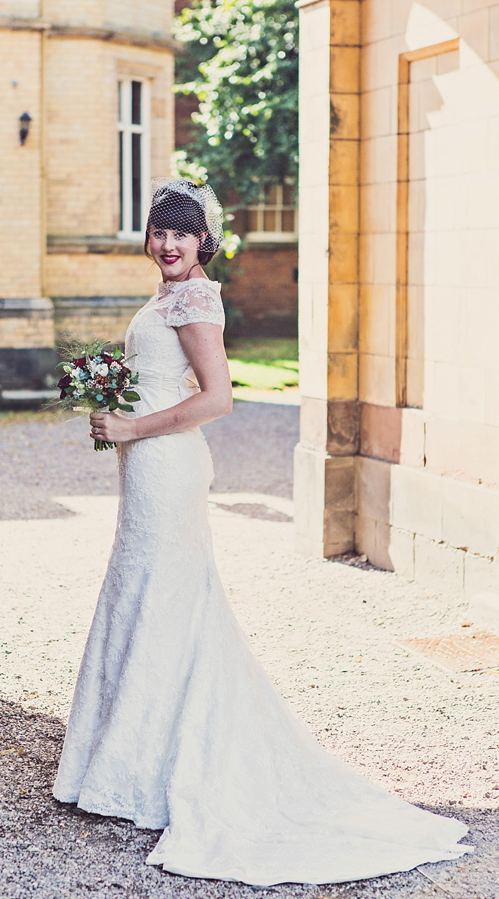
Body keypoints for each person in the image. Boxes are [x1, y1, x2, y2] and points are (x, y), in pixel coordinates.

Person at [52, 178, 470, 886]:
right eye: (159, 232)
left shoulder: (194, 296)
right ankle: (128, 755)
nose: (167, 244)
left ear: (205, 241)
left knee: (164, 595)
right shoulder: (167, 295)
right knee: (150, 592)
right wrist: (115, 398)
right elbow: (170, 375)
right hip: (148, 463)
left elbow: (218, 398)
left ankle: (156, 763)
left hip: (167, 463)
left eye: (181, 233)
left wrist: (130, 423)